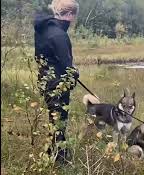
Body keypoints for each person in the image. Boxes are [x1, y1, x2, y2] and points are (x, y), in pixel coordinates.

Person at [33, 0, 79, 163]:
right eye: (74, 16)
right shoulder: (59, 35)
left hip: (45, 81)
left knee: (55, 120)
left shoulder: (43, 28)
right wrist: (75, 74)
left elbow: (44, 58)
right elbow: (68, 68)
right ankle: (59, 161)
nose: (73, 20)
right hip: (58, 85)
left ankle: (53, 155)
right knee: (59, 122)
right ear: (69, 15)